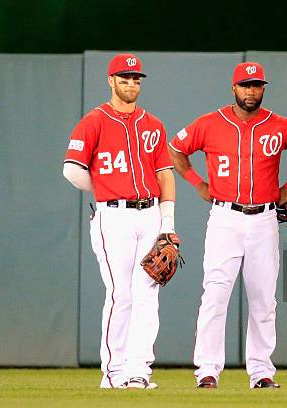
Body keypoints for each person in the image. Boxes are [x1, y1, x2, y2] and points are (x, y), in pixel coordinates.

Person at [169, 62, 287, 389]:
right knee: (215, 295)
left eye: (257, 85)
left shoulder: (281, 126)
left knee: (264, 299)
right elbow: (175, 149)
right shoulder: (209, 123)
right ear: (233, 88)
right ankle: (207, 370)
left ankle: (262, 372)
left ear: (264, 88)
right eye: (245, 85)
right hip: (225, 217)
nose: (251, 91)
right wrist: (197, 182)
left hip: (264, 219)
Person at [63, 53, 176, 389]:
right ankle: (113, 372)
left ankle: (139, 370)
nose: (131, 84)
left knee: (147, 292)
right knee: (120, 294)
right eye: (124, 78)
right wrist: (105, 189)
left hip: (151, 212)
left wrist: (168, 223)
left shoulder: (153, 124)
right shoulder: (94, 120)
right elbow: (71, 170)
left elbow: (165, 174)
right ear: (111, 81)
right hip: (113, 217)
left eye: (136, 79)